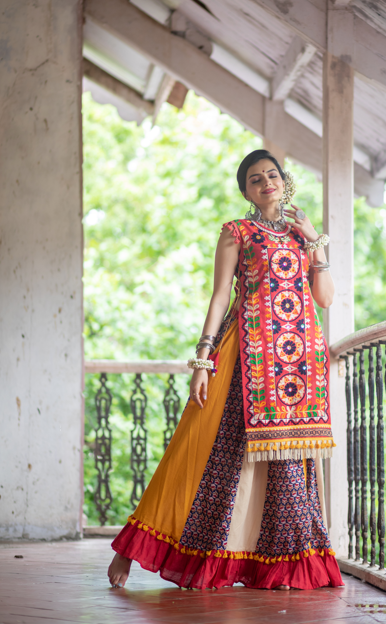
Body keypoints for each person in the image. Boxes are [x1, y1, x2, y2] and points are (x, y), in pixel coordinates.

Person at [107, 149, 343, 591]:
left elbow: (325, 299)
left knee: (289, 462)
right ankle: (132, 548)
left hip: (296, 366)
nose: (266, 182)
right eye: (256, 179)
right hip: (246, 356)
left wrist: (315, 241)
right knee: (201, 446)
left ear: (284, 180)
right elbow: (219, 297)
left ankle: (284, 563)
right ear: (245, 191)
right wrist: (202, 359)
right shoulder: (237, 233)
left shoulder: (301, 234)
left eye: (272, 175)